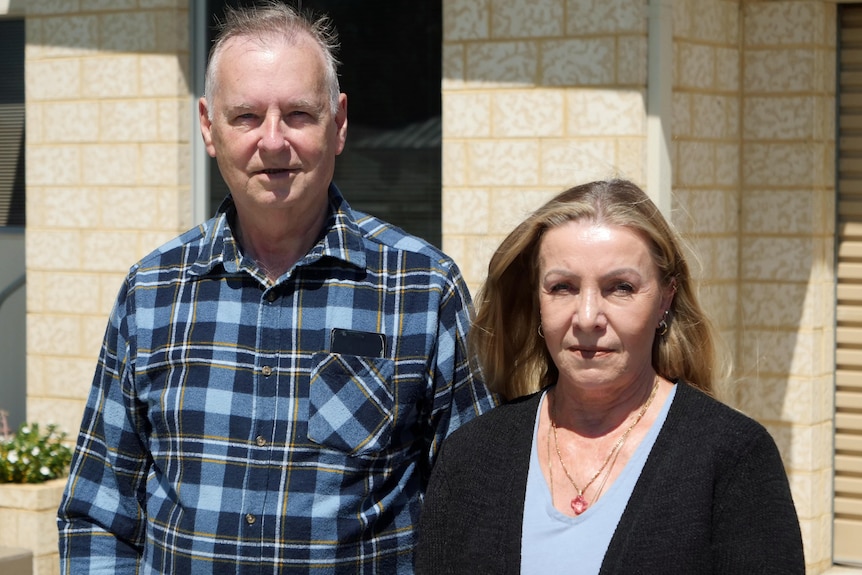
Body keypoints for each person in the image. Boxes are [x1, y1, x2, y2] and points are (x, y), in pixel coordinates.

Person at [57, 2, 496, 573]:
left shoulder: (422, 288)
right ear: (209, 127)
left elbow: (477, 509)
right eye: (245, 116)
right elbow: (98, 510)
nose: (272, 141)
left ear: (338, 124)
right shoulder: (152, 291)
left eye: (297, 114)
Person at [415, 179, 805, 574]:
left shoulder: (734, 457)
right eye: (562, 287)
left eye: (620, 288)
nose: (587, 318)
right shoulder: (471, 455)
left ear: (665, 300)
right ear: (537, 299)